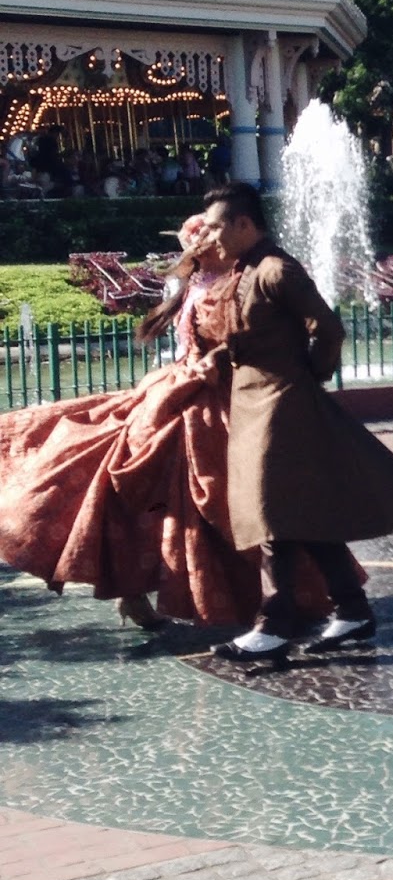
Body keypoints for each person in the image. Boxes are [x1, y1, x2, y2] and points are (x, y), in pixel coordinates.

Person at [0, 217, 329, 629]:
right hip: (198, 396)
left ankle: (149, 593)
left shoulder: (211, 283)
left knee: (172, 499)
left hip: (193, 391)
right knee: (224, 499)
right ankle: (257, 598)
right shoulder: (210, 285)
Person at [204, 182, 393, 662]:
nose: (210, 236)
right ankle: (353, 609)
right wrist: (219, 359)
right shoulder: (245, 270)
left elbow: (328, 328)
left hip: (280, 406)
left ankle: (274, 624)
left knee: (272, 515)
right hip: (254, 403)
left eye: (216, 227)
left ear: (244, 223)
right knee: (298, 513)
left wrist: (309, 376)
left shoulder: (277, 270)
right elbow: (252, 336)